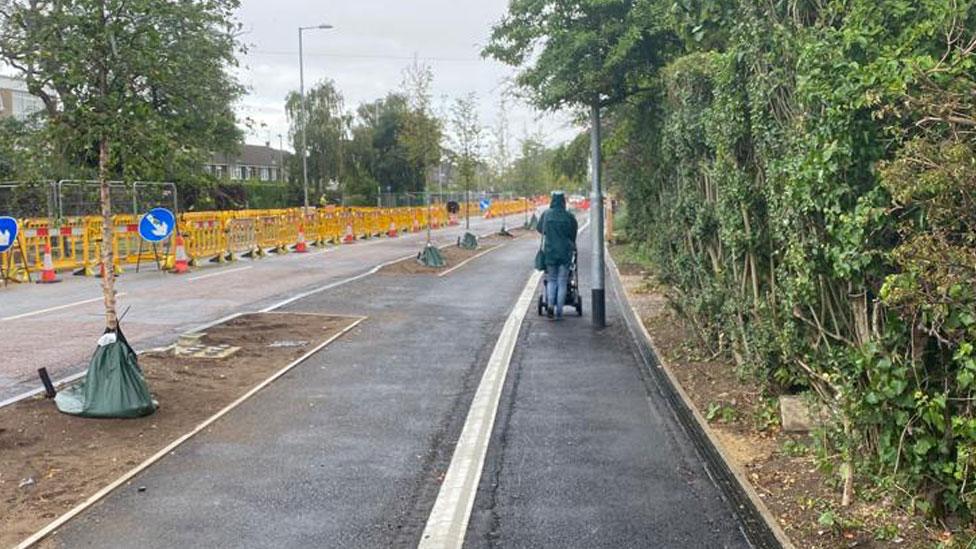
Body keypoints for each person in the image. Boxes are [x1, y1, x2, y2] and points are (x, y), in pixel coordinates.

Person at [537, 191, 578, 320]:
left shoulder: (546, 215)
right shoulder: (568, 216)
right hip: (565, 252)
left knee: (551, 279)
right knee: (562, 281)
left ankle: (550, 306)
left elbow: (540, 229)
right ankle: (559, 311)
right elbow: (573, 234)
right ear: (563, 201)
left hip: (550, 252)